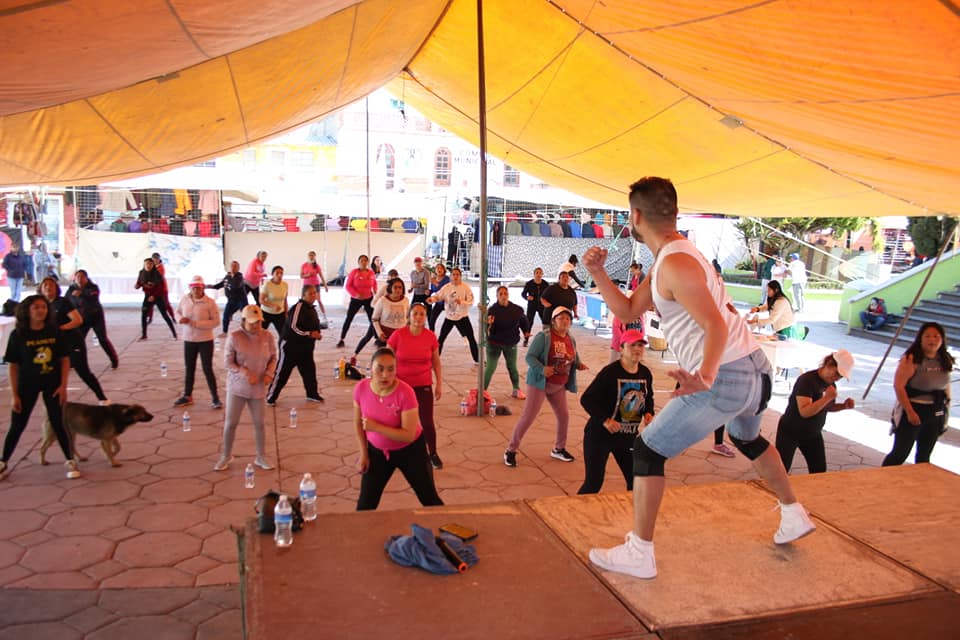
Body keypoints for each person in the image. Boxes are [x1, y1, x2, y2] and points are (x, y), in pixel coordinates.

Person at [583, 176, 815, 580]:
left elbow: (716, 326)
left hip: (726, 372)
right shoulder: (671, 261)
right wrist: (599, 273)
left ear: (635, 216)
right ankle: (793, 513)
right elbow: (626, 312)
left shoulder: (675, 263)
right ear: (673, 212)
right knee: (748, 438)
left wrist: (705, 376)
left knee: (648, 450)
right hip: (752, 369)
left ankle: (640, 552)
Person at [353, 347, 444, 510]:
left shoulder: (405, 393)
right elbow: (358, 423)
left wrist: (376, 427)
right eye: (379, 369)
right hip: (377, 453)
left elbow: (408, 435)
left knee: (429, 499)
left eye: (390, 369)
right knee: (365, 505)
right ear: (371, 368)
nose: (385, 375)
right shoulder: (361, 389)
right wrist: (363, 454)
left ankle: (448, 529)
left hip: (411, 452)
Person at [0, 294, 78, 480]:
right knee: (18, 424)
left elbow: (65, 359)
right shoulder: (18, 334)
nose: (40, 310)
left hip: (52, 383)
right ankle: (3, 461)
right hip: (27, 384)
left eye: (43, 307)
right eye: (36, 307)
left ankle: (70, 459)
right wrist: (15, 394)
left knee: (58, 422)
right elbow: (13, 365)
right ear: (27, 310)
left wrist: (63, 385)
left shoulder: (54, 332)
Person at [503, 306, 587, 467]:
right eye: (561, 318)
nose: (565, 321)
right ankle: (511, 450)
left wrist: (579, 364)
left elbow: (573, 355)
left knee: (564, 416)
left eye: (567, 318)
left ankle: (559, 448)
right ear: (554, 320)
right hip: (540, 384)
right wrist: (542, 369)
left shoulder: (570, 338)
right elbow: (530, 357)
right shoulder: (544, 336)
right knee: (528, 417)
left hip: (559, 385)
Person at [214, 305, 277, 472]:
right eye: (252, 323)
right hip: (238, 388)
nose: (256, 326)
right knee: (231, 423)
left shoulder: (267, 336)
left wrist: (269, 374)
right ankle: (226, 455)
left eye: (258, 322)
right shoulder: (235, 337)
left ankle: (261, 456)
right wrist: (245, 372)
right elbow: (228, 362)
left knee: (260, 423)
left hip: (258, 388)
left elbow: (273, 357)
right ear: (243, 321)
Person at [882, 322, 954, 466]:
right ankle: (882, 481)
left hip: (935, 411)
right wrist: (910, 412)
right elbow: (899, 386)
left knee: (924, 455)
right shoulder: (911, 359)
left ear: (942, 339)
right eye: (927, 336)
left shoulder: (944, 359)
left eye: (936, 336)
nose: (932, 340)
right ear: (920, 338)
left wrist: (947, 408)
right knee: (900, 452)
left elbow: (946, 385)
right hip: (913, 409)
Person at [776, 351, 856, 474]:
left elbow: (827, 407)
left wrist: (843, 406)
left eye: (840, 377)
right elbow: (805, 411)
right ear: (829, 364)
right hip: (791, 431)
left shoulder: (831, 385)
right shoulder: (807, 380)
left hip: (812, 434)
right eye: (836, 373)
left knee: (819, 471)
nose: (836, 378)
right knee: (780, 470)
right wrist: (827, 398)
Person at [388, 303, 444, 469]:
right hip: (400, 386)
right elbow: (385, 357)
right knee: (395, 421)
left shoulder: (430, 336)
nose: (419, 317)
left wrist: (439, 383)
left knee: (427, 421)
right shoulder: (398, 335)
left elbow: (435, 361)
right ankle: (393, 452)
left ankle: (432, 453)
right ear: (409, 317)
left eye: (422, 314)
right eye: (415, 314)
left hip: (423, 385)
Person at [39, 276, 109, 404]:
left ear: (56, 288)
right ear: (41, 289)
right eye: (45, 286)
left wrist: (60, 328)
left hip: (72, 341)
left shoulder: (63, 302)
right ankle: (56, 402)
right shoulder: (41, 305)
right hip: (54, 344)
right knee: (53, 373)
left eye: (51, 285)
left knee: (82, 371)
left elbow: (77, 320)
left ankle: (102, 398)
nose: (48, 287)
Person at [266, 285, 325, 405]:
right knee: (282, 372)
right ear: (304, 295)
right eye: (310, 294)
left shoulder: (312, 309)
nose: (313, 296)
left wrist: (317, 334)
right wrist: (309, 334)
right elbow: (293, 327)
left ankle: (312, 394)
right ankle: (271, 396)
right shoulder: (299, 307)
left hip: (305, 348)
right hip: (291, 347)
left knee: (309, 371)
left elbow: (315, 326)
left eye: (315, 293)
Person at [173, 276, 222, 409]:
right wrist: (179, 319)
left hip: (205, 340)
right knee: (190, 368)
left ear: (203, 288)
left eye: (199, 288)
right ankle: (187, 395)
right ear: (190, 288)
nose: (196, 290)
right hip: (189, 339)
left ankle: (215, 397)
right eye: (194, 288)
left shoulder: (210, 302)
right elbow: (176, 312)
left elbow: (216, 321)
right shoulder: (185, 299)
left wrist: (195, 323)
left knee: (207, 369)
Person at [67, 270, 119, 369]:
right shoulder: (71, 289)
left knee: (102, 339)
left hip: (96, 316)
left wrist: (81, 293)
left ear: (86, 278)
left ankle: (114, 359)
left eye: (82, 277)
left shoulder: (93, 287)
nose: (79, 279)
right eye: (77, 277)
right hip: (82, 318)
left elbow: (93, 297)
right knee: (78, 340)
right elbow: (67, 302)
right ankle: (73, 361)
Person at [484, 286, 530, 398]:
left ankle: (516, 389)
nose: (503, 296)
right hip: (494, 344)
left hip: (510, 343)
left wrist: (526, 332)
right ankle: (482, 391)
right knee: (490, 367)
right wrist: (487, 323)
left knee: (512, 367)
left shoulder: (517, 310)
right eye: (501, 294)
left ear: (508, 295)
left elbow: (524, 321)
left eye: (505, 293)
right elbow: (485, 327)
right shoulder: (492, 310)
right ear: (497, 296)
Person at [428, 267, 479, 365]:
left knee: (471, 338)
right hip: (449, 317)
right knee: (441, 338)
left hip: (463, 317)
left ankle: (477, 359)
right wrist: (432, 299)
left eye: (457, 275)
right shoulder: (447, 287)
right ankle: (434, 360)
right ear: (450, 276)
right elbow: (438, 296)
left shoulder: (466, 287)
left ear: (460, 276)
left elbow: (471, 301)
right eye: (453, 274)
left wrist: (462, 302)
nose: (455, 276)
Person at [337, 255, 377, 348]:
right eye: (362, 261)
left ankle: (377, 338)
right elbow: (348, 286)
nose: (364, 262)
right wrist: (356, 294)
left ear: (367, 262)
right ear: (358, 262)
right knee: (349, 318)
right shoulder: (354, 272)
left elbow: (374, 283)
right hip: (356, 299)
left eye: (365, 261)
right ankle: (342, 338)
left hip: (368, 299)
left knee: (373, 319)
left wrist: (375, 291)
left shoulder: (371, 273)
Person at [135, 257, 177, 340]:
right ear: (144, 265)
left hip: (158, 297)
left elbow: (161, 288)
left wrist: (153, 296)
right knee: (144, 315)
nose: (148, 265)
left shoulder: (157, 274)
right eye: (147, 264)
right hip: (147, 296)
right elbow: (139, 282)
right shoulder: (141, 272)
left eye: (150, 264)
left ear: (153, 265)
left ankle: (174, 334)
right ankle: (144, 335)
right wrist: (137, 286)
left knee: (164, 315)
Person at [205, 260, 248, 335]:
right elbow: (219, 286)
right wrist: (208, 286)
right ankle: (224, 332)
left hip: (241, 300)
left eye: (235, 266)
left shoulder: (240, 277)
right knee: (225, 315)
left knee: (246, 316)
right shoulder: (227, 277)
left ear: (238, 268)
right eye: (232, 266)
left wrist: (230, 278)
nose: (233, 268)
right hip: (231, 300)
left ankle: (247, 331)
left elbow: (236, 285)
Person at [300, 251, 329, 325]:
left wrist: (325, 285)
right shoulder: (304, 265)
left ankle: (324, 316)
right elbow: (301, 276)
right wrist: (307, 275)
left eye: (312, 255)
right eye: (310, 255)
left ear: (315, 256)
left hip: (315, 284)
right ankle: (302, 316)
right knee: (304, 301)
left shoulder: (317, 266)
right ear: (308, 256)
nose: (311, 257)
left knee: (319, 300)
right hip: (306, 285)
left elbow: (321, 276)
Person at [521, 267, 549, 345]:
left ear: (542, 274)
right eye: (537, 273)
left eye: (540, 273)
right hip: (531, 305)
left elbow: (549, 295)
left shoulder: (545, 284)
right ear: (534, 274)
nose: (538, 274)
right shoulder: (529, 284)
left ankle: (547, 338)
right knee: (529, 322)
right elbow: (523, 294)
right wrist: (527, 297)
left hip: (542, 306)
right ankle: (526, 339)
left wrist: (547, 302)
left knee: (545, 322)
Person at [259, 265, 288, 335]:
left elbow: (285, 300)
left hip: (280, 314)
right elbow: (261, 300)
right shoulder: (267, 285)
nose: (279, 275)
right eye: (277, 273)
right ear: (272, 274)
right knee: (260, 333)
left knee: (284, 334)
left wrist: (286, 313)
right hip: (266, 313)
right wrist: (273, 306)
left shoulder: (285, 285)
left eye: (281, 273)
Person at [427, 263, 450, 332]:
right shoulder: (434, 279)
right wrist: (429, 292)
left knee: (455, 320)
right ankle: (431, 335)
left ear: (444, 270)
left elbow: (443, 290)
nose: (439, 270)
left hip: (447, 302)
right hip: (439, 303)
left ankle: (464, 335)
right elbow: (434, 290)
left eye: (440, 268)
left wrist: (436, 284)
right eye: (437, 268)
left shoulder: (447, 279)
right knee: (432, 319)